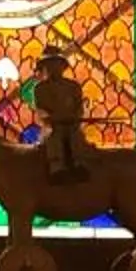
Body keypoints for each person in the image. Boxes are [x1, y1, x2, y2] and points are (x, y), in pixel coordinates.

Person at [34, 47, 90, 180]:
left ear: (63, 66)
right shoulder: (40, 89)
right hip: (52, 127)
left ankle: (79, 165)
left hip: (71, 125)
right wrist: (51, 118)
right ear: (45, 67)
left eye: (57, 64)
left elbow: (79, 107)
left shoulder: (73, 87)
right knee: (54, 138)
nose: (54, 68)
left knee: (75, 137)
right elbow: (40, 109)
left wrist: (75, 117)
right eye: (50, 64)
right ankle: (57, 169)